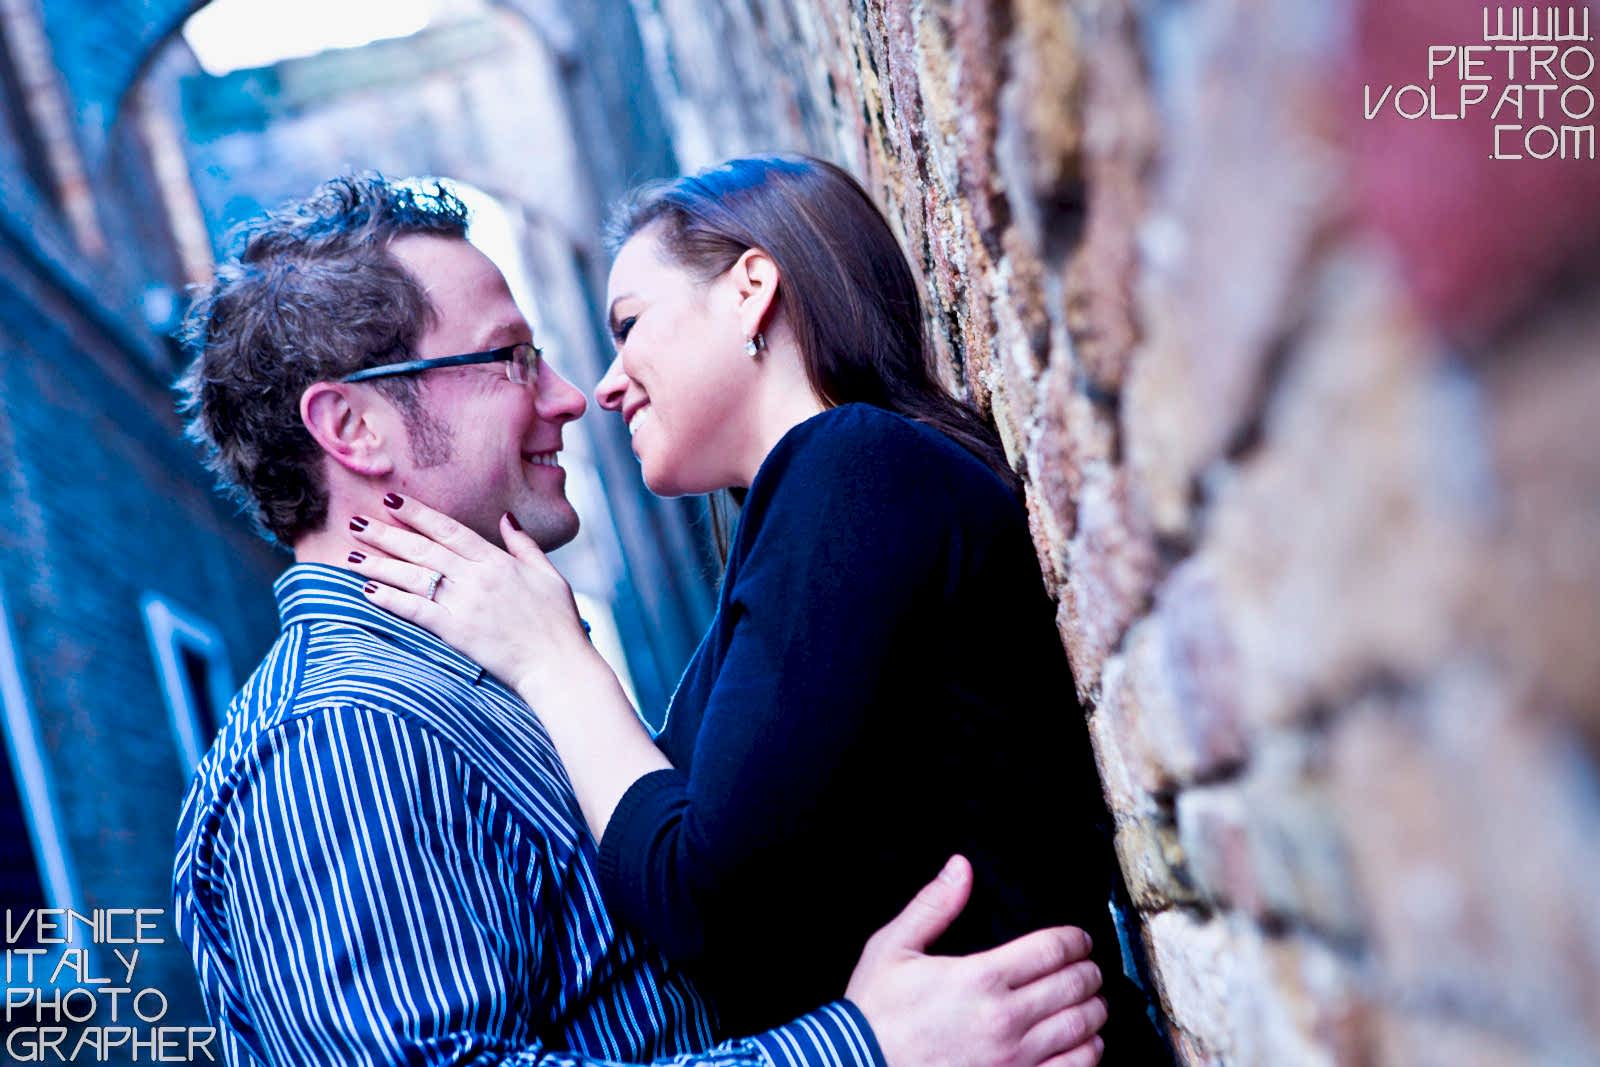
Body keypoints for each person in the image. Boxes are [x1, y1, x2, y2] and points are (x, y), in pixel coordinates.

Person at [172, 173, 1111, 1067]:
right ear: (354, 428)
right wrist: (857, 1047)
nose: (571, 397)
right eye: (511, 359)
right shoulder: (339, 736)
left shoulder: (469, 684)